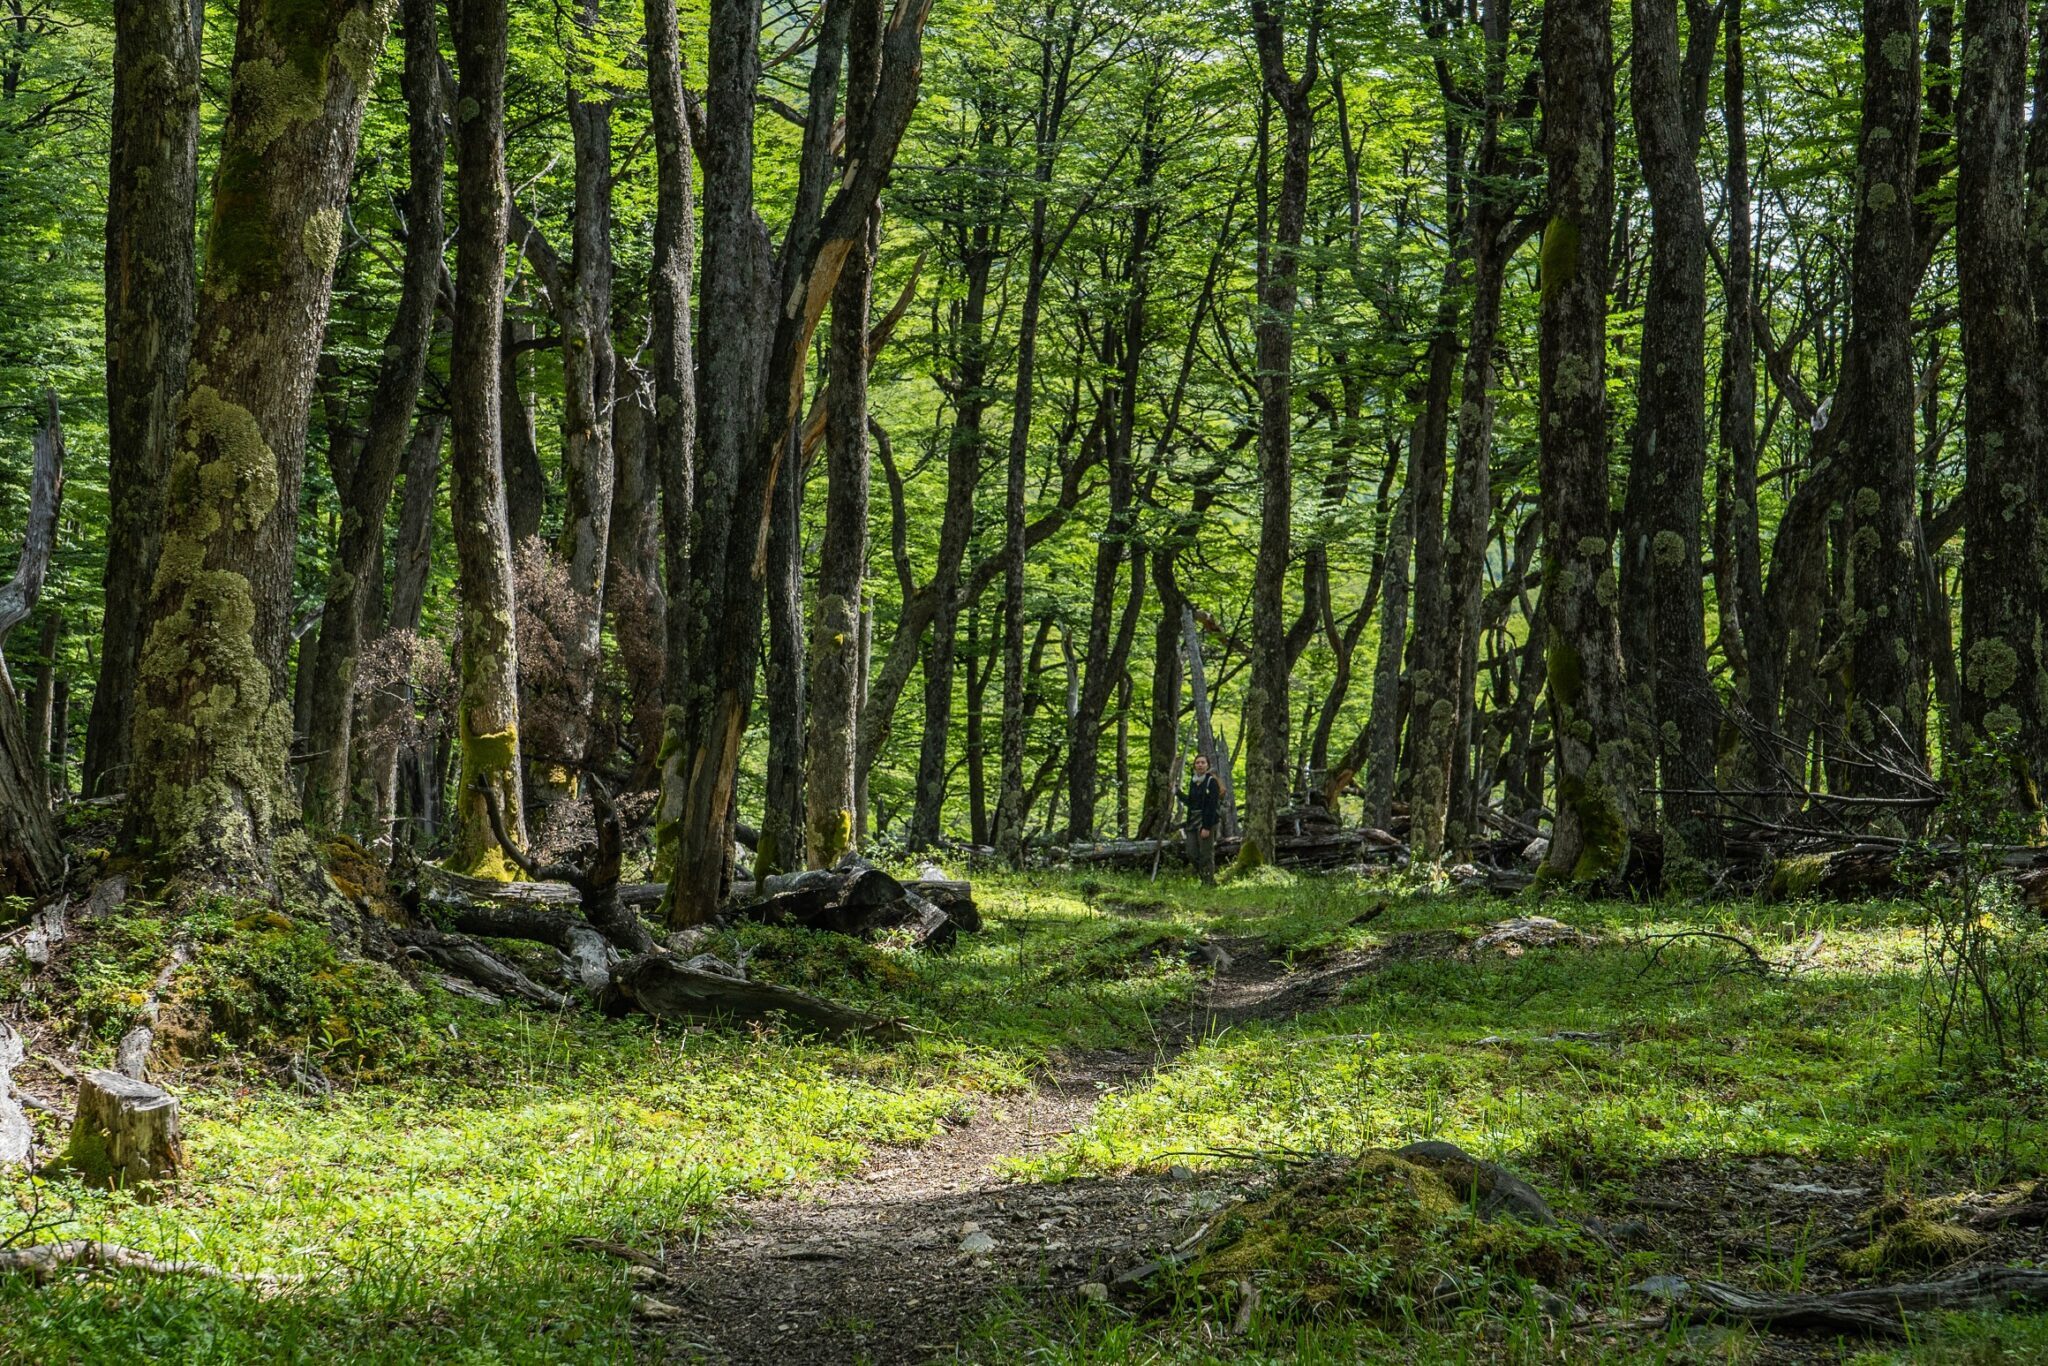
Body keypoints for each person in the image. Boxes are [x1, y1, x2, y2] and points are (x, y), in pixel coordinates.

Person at [1183, 751, 1222, 886]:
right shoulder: (1193, 782)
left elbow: (1212, 806)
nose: (1200, 765)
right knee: (1191, 853)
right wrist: (1178, 793)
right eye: (1197, 763)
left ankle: (1208, 882)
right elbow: (1191, 802)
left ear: (1207, 765)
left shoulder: (1212, 782)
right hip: (1192, 822)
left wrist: (1206, 827)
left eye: (1203, 763)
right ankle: (1204, 876)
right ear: (1194, 765)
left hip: (1206, 821)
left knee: (1206, 853)